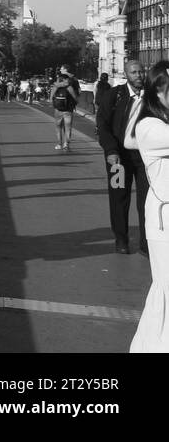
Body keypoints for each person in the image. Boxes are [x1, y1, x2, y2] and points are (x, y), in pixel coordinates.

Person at [125, 60, 169, 351]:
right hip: (164, 219)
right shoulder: (151, 128)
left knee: (163, 291)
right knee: (166, 290)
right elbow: (131, 139)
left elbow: (128, 141)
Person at [97, 59, 150, 255]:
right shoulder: (115, 95)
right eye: (135, 72)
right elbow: (102, 125)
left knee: (146, 201)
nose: (139, 75)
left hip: (144, 159)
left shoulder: (152, 97)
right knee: (119, 198)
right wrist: (111, 151)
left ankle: (146, 244)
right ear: (126, 74)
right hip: (118, 158)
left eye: (141, 72)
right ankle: (121, 239)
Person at [51, 67, 80, 151]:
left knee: (58, 127)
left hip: (58, 110)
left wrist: (55, 104)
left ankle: (59, 144)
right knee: (68, 127)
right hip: (68, 109)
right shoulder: (69, 87)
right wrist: (74, 103)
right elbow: (75, 97)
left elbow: (51, 98)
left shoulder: (55, 87)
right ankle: (66, 144)